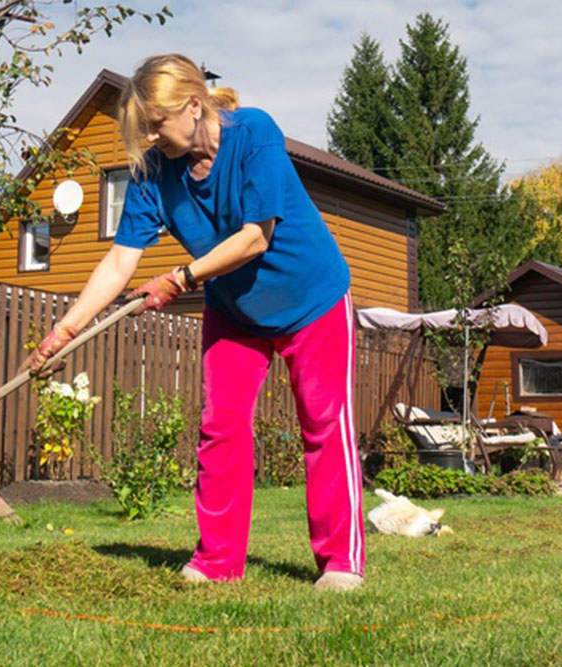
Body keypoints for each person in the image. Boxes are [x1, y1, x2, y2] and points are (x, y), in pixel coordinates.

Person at [23, 54, 365, 591]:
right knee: (220, 426)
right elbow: (119, 261)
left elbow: (256, 237)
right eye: (143, 129)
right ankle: (217, 560)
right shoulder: (154, 173)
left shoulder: (254, 133)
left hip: (312, 299)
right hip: (235, 310)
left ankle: (340, 562)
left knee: (323, 423)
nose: (150, 138)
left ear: (192, 105)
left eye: (156, 125)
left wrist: (180, 277)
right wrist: (64, 332)